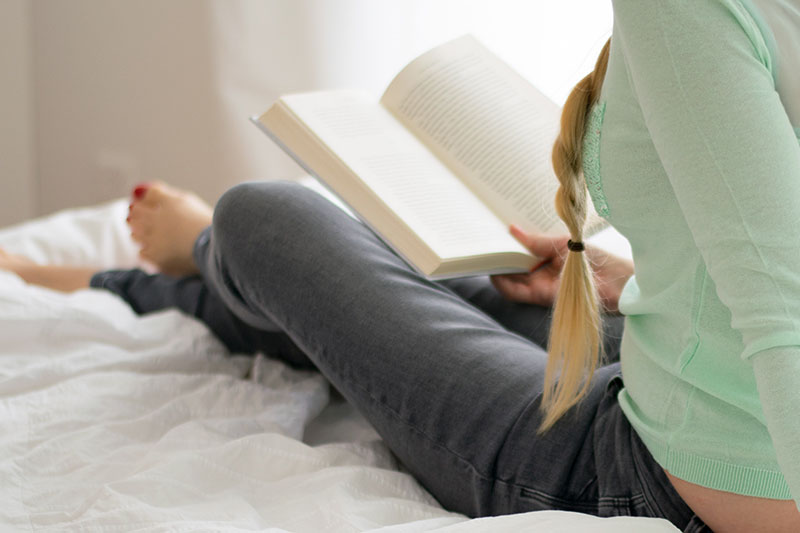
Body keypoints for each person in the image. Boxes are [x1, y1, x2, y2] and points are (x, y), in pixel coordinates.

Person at [2, 1, 799, 531]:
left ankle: (175, 266)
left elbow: (783, 315)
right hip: (699, 377)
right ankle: (164, 278)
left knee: (264, 219)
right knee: (427, 275)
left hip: (660, 467)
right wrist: (631, 282)